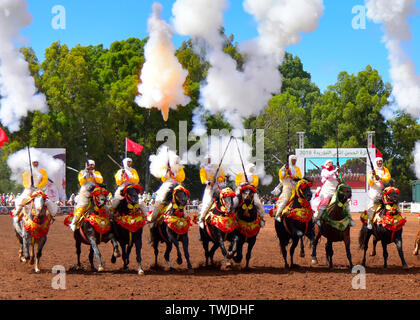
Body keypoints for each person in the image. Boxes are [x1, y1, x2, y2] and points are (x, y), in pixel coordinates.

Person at [13, 156, 58, 223]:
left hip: (39, 190)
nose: (35, 163)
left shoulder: (42, 171)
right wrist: (29, 185)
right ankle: (17, 215)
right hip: (29, 190)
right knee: (21, 201)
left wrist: (38, 186)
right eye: (34, 162)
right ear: (31, 163)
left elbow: (45, 180)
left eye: (36, 162)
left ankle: (51, 216)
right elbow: (25, 182)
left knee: (48, 202)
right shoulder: (26, 172)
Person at [148, 155, 185, 228]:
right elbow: (163, 178)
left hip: (177, 183)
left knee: (184, 199)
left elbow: (182, 177)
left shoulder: (180, 168)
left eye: (177, 160)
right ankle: (153, 218)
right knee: (159, 199)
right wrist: (167, 171)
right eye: (175, 160)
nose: (176, 161)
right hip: (167, 183)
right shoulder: (166, 168)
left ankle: (184, 217)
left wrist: (174, 174)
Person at [69, 159, 103, 231]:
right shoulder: (82, 172)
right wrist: (86, 174)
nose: (91, 166)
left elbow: (100, 180)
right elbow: (81, 181)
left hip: (95, 191)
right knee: (82, 206)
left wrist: (93, 174)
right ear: (87, 165)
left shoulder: (97, 173)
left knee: (103, 204)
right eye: (90, 165)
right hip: (85, 191)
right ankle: (73, 222)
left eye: (93, 165)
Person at [197, 155, 226, 228]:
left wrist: (217, 179)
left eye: (210, 159)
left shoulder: (218, 167)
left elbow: (222, 176)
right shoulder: (203, 168)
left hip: (219, 186)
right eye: (207, 159)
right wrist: (209, 182)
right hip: (210, 187)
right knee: (207, 202)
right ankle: (201, 219)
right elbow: (203, 178)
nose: (209, 160)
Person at [274, 155, 302, 222]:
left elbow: (300, 177)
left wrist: (293, 175)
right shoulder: (284, 168)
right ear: (290, 160)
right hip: (287, 187)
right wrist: (285, 170)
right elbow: (281, 177)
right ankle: (278, 214)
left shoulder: (297, 168)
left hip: (295, 187)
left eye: (295, 160)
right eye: (293, 160)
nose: (294, 161)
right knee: (285, 200)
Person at [365, 157, 391, 229]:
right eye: (378, 161)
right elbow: (370, 183)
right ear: (375, 162)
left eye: (381, 161)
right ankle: (369, 221)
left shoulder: (385, 170)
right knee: (372, 206)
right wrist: (373, 176)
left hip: (385, 191)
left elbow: (388, 178)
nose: (379, 163)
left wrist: (379, 178)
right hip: (375, 192)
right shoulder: (371, 172)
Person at [312, 160, 340, 225]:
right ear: (326, 164)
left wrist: (338, 172)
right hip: (327, 189)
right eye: (329, 162)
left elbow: (339, 178)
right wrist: (335, 170)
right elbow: (328, 175)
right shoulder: (324, 171)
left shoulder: (335, 171)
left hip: (335, 189)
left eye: (332, 162)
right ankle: (318, 219)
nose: (331, 163)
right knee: (325, 203)